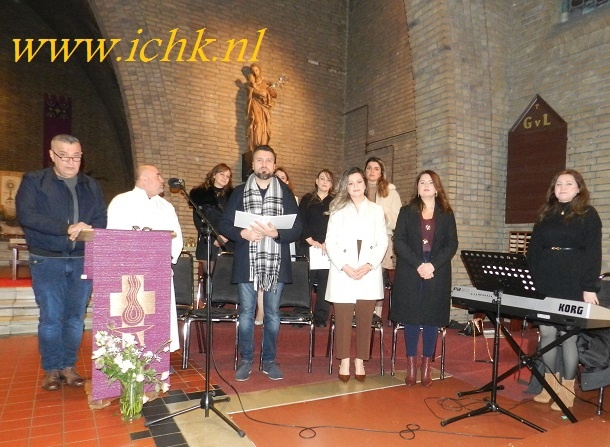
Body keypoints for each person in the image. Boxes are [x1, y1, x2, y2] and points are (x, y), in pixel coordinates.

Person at [16, 134, 107, 391]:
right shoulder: (34, 181)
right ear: (52, 155)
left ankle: (68, 366)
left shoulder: (90, 185)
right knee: (51, 317)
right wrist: (65, 228)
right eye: (64, 156)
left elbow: (101, 217)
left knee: (75, 318)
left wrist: (90, 229)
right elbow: (27, 216)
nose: (71, 162)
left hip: (82, 258)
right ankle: (51, 369)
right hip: (47, 259)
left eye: (76, 156)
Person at [218, 145, 302, 381]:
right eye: (259, 160)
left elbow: (297, 228)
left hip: (276, 262)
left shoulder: (286, 193)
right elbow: (224, 224)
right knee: (246, 312)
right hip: (247, 261)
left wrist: (277, 234)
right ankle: (246, 360)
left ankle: (269, 361)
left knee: (273, 314)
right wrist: (242, 233)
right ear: (253, 165)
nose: (264, 164)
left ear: (274, 165)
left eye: (268, 160)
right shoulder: (239, 192)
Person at [527, 169, 602, 410]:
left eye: (568, 184)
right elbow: (534, 250)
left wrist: (589, 287)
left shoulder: (588, 214)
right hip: (546, 280)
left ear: (578, 188)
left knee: (568, 335)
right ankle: (550, 385)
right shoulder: (545, 214)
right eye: (559, 184)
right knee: (547, 332)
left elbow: (594, 252)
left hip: (573, 281)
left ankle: (567, 389)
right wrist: (533, 281)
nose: (562, 188)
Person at [389, 170, 458, 387]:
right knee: (411, 316)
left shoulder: (446, 213)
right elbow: (399, 241)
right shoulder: (407, 211)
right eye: (421, 182)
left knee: (431, 316)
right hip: (411, 268)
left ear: (437, 188)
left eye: (430, 182)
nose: (426, 185)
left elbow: (452, 244)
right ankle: (411, 365)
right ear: (417, 188)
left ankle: (426, 365)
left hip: (437, 269)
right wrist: (419, 264)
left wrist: (432, 265)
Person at [106, 165, 184, 353]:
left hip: (158, 271)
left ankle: (158, 356)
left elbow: (177, 237)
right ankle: (130, 359)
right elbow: (114, 236)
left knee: (158, 318)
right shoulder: (121, 202)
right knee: (132, 319)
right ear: (144, 179)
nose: (162, 180)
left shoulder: (166, 206)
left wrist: (167, 259)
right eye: (158, 176)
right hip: (129, 273)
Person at [325, 167, 387, 383]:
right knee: (342, 319)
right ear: (345, 186)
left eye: (359, 181)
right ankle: (344, 360)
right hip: (343, 270)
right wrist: (344, 266)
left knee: (364, 318)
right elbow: (330, 242)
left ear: (365, 184)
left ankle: (360, 360)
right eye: (350, 183)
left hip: (368, 270)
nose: (355, 186)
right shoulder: (337, 209)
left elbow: (383, 241)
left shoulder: (376, 210)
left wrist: (370, 264)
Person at [364, 157, 402, 318]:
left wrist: (385, 215)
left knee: (377, 277)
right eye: (369, 168)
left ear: (381, 172)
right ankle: (360, 311)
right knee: (361, 276)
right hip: (361, 239)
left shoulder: (391, 191)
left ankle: (376, 314)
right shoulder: (358, 189)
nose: (372, 171)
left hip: (382, 238)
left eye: (376, 168)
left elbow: (399, 218)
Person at [298, 169, 335, 327]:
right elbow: (300, 220)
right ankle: (302, 314)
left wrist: (328, 242)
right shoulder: (307, 199)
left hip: (326, 247)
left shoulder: (335, 202)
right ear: (316, 181)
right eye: (322, 179)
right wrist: (310, 240)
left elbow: (337, 223)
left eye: (328, 180)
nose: (325, 182)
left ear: (331, 184)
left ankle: (321, 317)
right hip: (308, 245)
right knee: (305, 281)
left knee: (324, 283)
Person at [189, 163, 234, 267]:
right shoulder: (200, 194)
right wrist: (215, 237)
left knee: (226, 275)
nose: (225, 178)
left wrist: (227, 235)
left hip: (229, 241)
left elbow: (235, 219)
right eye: (222, 174)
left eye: (228, 176)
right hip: (208, 240)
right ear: (214, 175)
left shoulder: (233, 196)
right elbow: (198, 220)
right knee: (210, 274)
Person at [246, 63, 277, 152]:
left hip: (264, 108)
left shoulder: (266, 83)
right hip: (255, 106)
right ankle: (256, 145)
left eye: (256, 70)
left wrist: (270, 90)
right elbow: (249, 97)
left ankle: (263, 145)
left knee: (264, 126)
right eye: (253, 71)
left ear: (260, 70)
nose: (255, 73)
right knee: (257, 124)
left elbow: (274, 95)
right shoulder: (250, 84)